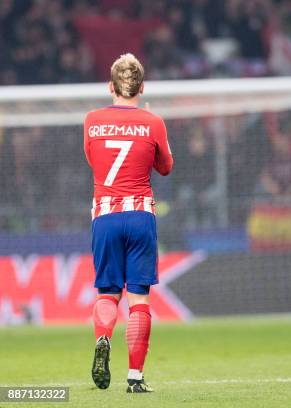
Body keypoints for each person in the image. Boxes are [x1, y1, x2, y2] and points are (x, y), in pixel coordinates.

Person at [83, 53, 173, 393]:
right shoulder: (154, 122)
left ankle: (103, 339)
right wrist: (151, 126)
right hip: (139, 217)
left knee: (107, 292)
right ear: (141, 87)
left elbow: (94, 161)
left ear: (111, 86)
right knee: (139, 299)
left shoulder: (92, 120)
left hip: (105, 216)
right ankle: (135, 378)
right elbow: (166, 167)